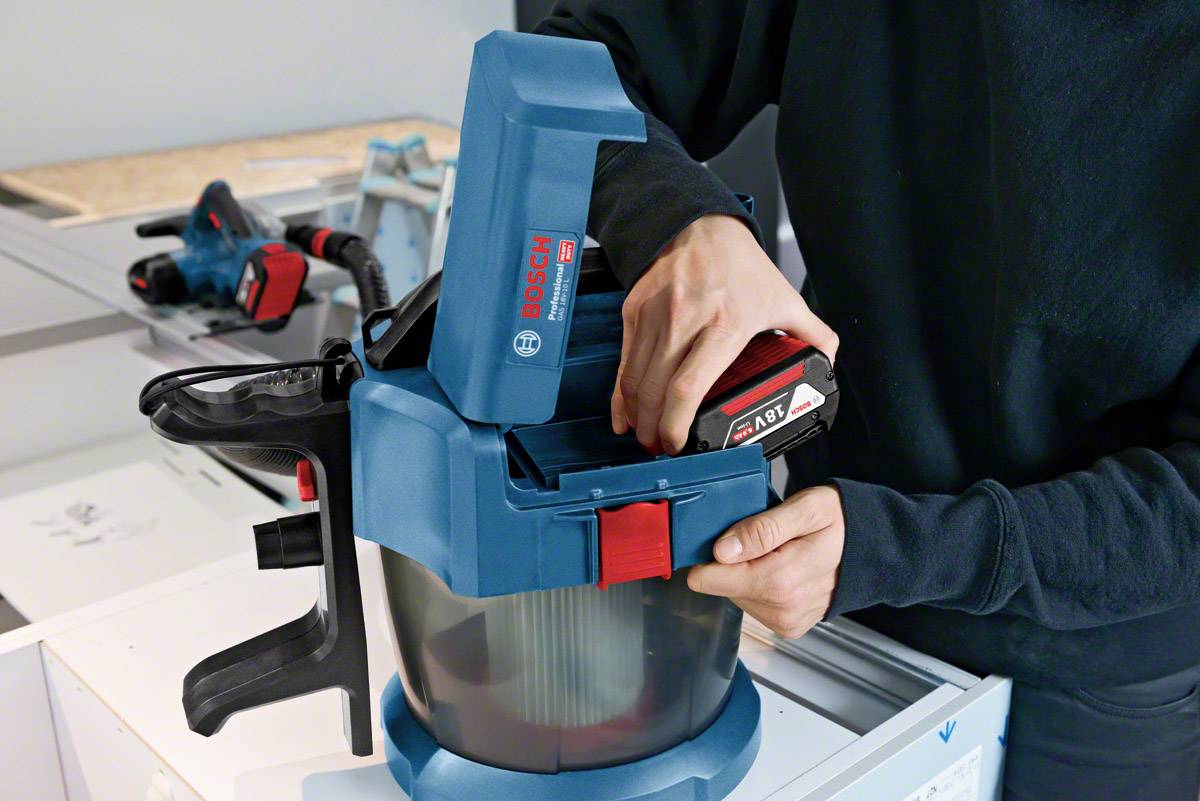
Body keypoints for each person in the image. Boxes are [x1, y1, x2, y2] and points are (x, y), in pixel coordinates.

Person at [536, 3, 1200, 799]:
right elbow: (566, 65)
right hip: (827, 599)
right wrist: (679, 221)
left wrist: (891, 548)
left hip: (1094, 671)